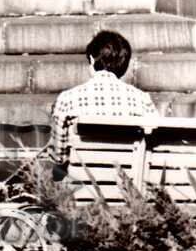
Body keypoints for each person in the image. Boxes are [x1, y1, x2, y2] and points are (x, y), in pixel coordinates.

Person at [47, 30, 158, 171]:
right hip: (128, 184)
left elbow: (58, 157)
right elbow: (153, 145)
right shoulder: (142, 100)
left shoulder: (68, 99)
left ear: (92, 60)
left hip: (81, 183)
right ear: (124, 65)